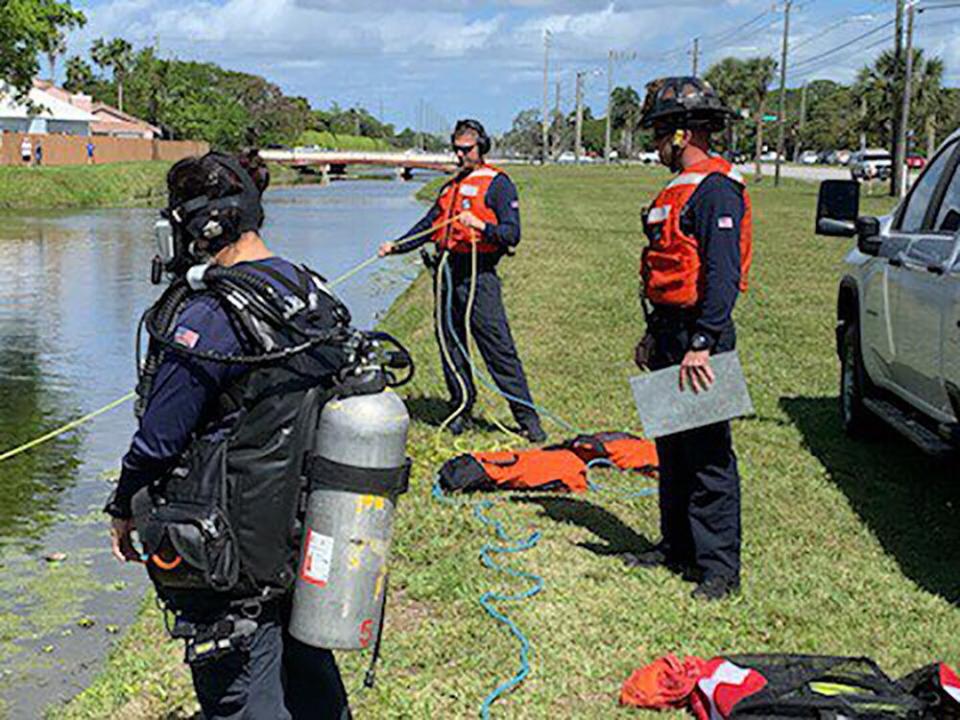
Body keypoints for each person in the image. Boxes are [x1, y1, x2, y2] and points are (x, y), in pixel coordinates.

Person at [105, 150, 353, 719]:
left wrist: (123, 502)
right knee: (307, 670)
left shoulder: (212, 314)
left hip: (230, 547)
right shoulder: (305, 287)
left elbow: (159, 439)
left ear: (198, 227)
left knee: (241, 692)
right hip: (302, 525)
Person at [626, 77, 753, 601]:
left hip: (701, 334)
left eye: (658, 134)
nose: (654, 145)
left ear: (681, 135)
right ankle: (676, 546)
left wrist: (703, 340)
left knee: (707, 453)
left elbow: (722, 277)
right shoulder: (675, 189)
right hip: (668, 330)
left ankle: (719, 568)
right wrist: (652, 333)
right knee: (672, 448)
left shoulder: (718, 190)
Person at [378, 119, 545, 442]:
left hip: (479, 275)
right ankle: (461, 407)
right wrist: (396, 246)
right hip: (446, 272)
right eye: (456, 148)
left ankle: (527, 418)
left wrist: (481, 226)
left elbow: (512, 234)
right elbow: (428, 225)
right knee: (450, 344)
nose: (459, 154)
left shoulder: (499, 184)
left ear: (481, 146)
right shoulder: (449, 187)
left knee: (497, 347)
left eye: (466, 149)